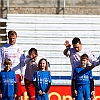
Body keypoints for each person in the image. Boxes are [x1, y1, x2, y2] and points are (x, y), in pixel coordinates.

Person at [0, 30, 25, 100]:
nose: (12, 40)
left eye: (13, 38)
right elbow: (0, 60)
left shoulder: (19, 48)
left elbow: (22, 62)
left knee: (17, 93)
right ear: (8, 37)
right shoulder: (3, 48)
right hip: (6, 73)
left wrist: (22, 73)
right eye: (10, 38)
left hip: (16, 73)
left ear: (16, 38)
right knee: (5, 92)